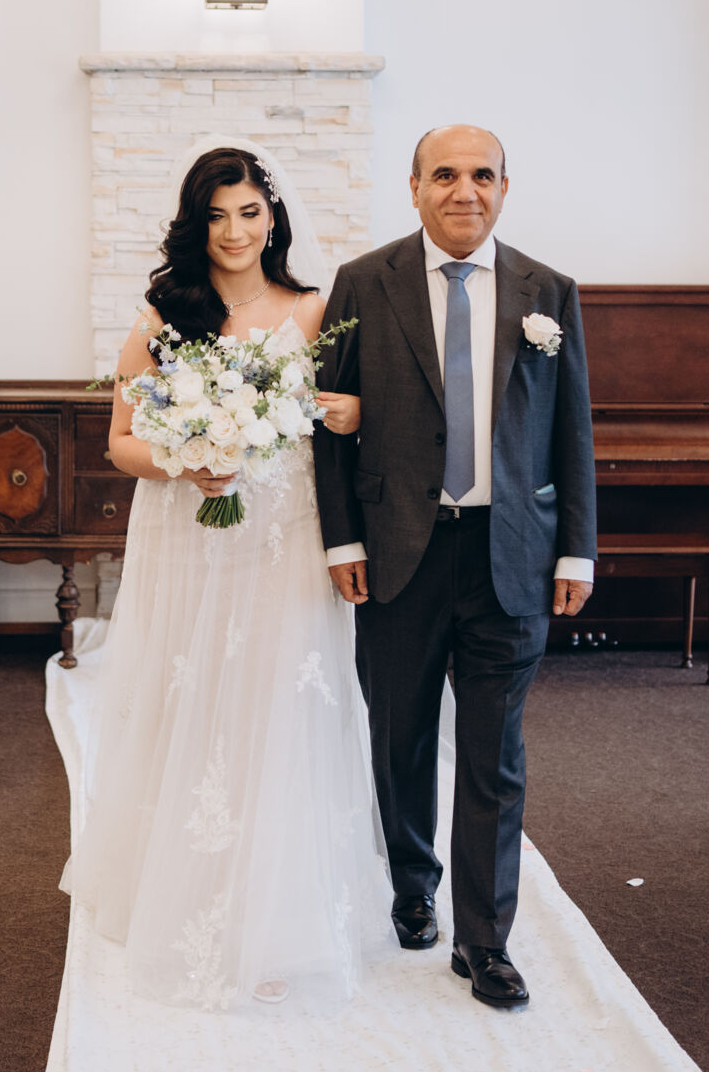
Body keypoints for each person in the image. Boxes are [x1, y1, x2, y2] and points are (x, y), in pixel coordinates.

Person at [59, 141, 391, 1011]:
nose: (234, 231)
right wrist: (186, 458)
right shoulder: (165, 316)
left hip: (286, 539)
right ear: (194, 224)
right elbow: (120, 442)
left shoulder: (315, 310)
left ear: (273, 217)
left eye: (249, 213)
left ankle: (281, 916)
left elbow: (347, 418)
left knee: (279, 704)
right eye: (216, 216)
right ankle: (182, 891)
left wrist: (349, 413)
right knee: (199, 698)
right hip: (192, 537)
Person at [313, 124, 598, 1010]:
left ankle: (485, 940)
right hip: (400, 552)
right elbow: (328, 420)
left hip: (512, 556)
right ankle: (412, 886)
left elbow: (573, 430)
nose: (463, 190)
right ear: (414, 187)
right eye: (444, 174)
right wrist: (342, 539)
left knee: (494, 755)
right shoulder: (364, 282)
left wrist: (577, 547)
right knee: (399, 737)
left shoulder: (550, 291)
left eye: (482, 175)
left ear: (506, 188)